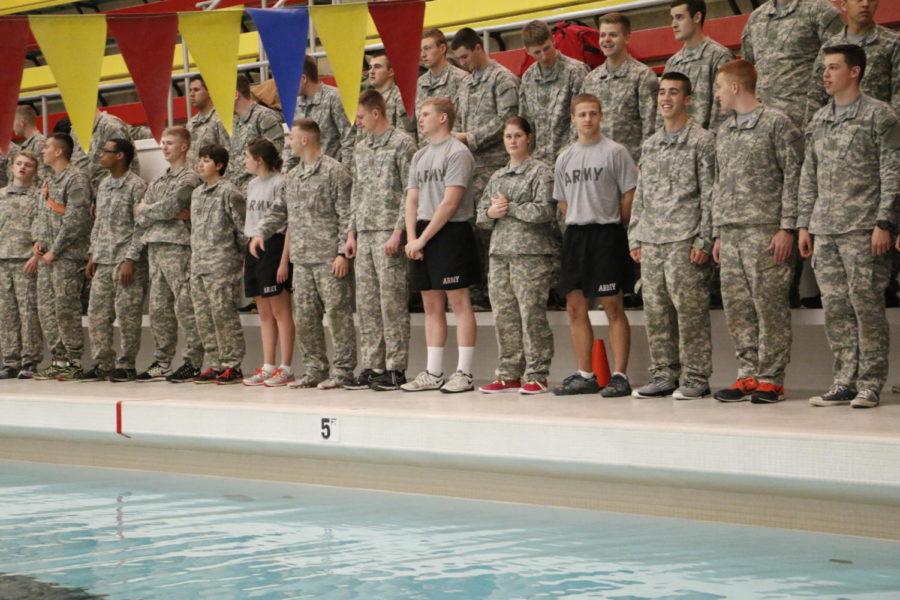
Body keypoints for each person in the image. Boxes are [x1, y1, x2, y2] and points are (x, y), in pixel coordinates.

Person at [799, 44, 900, 409]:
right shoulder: (819, 120)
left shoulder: (880, 116)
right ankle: (844, 379)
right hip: (825, 228)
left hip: (863, 228)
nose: (825, 75)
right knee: (836, 307)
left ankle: (870, 382)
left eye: (833, 68)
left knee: (866, 305)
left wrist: (884, 221)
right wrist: (804, 224)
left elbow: (892, 172)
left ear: (854, 71)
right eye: (824, 68)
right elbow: (808, 175)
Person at [711, 59, 804, 404]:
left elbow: (794, 177)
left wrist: (787, 228)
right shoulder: (725, 130)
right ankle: (746, 374)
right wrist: (718, 232)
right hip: (732, 232)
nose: (716, 94)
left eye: (720, 87)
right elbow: (720, 183)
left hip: (766, 230)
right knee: (738, 308)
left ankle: (771, 378)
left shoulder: (777, 124)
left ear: (736, 87)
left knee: (770, 307)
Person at [249, 119, 357, 389]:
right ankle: (315, 369)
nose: (288, 143)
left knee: (337, 316)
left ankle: (343, 372)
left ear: (306, 140)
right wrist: (260, 232)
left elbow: (347, 214)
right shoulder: (294, 176)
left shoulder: (335, 172)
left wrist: (342, 253)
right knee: (306, 318)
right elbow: (279, 210)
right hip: (302, 259)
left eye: (292, 138)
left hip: (328, 259)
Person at [629, 72, 715, 400]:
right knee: (656, 310)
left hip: (685, 237)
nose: (665, 98)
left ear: (687, 99)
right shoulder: (650, 145)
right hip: (652, 239)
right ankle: (664, 374)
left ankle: (695, 376)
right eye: (662, 92)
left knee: (690, 312)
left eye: (674, 93)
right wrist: (635, 236)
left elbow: (710, 193)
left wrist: (705, 239)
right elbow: (642, 194)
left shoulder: (702, 140)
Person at [551, 94, 637, 397]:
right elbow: (562, 201)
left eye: (593, 114)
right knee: (575, 307)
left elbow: (629, 194)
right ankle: (586, 373)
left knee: (613, 305)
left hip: (606, 234)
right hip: (576, 235)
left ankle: (619, 375)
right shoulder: (565, 157)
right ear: (572, 119)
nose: (587, 119)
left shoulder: (616, 152)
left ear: (601, 116)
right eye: (582, 114)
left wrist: (616, 223)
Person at [401, 97, 480, 393]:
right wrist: (412, 237)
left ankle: (464, 372)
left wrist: (423, 237)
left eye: (425, 114)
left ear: (443, 118)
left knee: (458, 301)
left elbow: (450, 203)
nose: (420, 119)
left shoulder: (457, 153)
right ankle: (434, 372)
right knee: (430, 304)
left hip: (450, 231)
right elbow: (411, 198)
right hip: (422, 231)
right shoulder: (420, 156)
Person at [475, 117, 557, 395]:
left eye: (518, 136)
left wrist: (510, 208)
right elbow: (481, 217)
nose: (512, 141)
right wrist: (491, 213)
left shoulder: (541, 172)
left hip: (530, 255)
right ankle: (509, 372)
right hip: (500, 254)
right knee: (504, 316)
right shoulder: (497, 176)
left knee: (531, 315)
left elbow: (545, 211)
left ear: (529, 138)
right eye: (508, 136)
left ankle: (537, 373)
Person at [345, 90, 417, 391]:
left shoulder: (402, 143)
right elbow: (357, 192)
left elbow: (410, 191)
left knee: (392, 303)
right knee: (368, 304)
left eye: (361, 117)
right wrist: (351, 232)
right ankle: (373, 364)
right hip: (365, 232)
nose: (358, 123)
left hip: (389, 232)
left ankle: (395, 367)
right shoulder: (360, 148)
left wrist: (399, 231)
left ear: (376, 113)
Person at [451, 27, 520, 309]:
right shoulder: (465, 85)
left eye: (466, 56)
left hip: (495, 166)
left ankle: (500, 290)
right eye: (459, 59)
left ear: (479, 48)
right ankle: (479, 288)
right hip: (469, 169)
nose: (463, 63)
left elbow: (509, 119)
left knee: (495, 230)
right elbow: (456, 118)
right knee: (472, 230)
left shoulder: (502, 79)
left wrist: (470, 137)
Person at [133, 126, 204, 383]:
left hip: (178, 247)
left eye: (170, 143)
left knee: (185, 306)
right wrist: (156, 211)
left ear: (184, 146)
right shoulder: (159, 180)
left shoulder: (190, 178)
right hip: (156, 248)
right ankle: (162, 361)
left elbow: (172, 205)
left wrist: (149, 210)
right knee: (159, 309)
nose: (164, 147)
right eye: (162, 143)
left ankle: (193, 361)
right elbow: (138, 214)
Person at [78, 139, 148, 382]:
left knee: (127, 315)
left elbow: (141, 225)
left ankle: (126, 364)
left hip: (124, 260)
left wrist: (131, 258)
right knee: (97, 314)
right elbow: (98, 223)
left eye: (106, 152)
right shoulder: (105, 185)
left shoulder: (136, 186)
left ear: (120, 156)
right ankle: (103, 363)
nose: (100, 155)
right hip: (103, 259)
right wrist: (92, 254)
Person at [32, 133, 91, 380]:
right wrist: (38, 241)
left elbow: (76, 219)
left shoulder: (75, 179)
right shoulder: (48, 180)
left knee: (66, 308)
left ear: (59, 152)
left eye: (47, 147)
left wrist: (55, 249)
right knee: (47, 309)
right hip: (47, 257)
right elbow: (40, 214)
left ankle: (74, 360)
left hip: (66, 256)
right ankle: (59, 359)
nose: (42, 150)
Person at [190, 144, 247, 384]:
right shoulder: (197, 193)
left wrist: (239, 261)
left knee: (224, 316)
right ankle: (214, 363)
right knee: (204, 317)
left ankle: (232, 365)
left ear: (220, 165)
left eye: (206, 160)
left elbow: (242, 230)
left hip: (222, 265)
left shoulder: (229, 192)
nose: (200, 164)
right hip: (199, 265)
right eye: (199, 159)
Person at [240, 138, 295, 387]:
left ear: (259, 159)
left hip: (274, 245)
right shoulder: (251, 184)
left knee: (280, 311)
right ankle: (268, 365)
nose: (244, 161)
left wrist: (284, 260)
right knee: (263, 312)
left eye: (247, 156)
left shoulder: (280, 183)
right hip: (253, 245)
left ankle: (285, 367)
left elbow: (287, 222)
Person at [741, 0, 842, 128]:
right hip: (763, 123)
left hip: (806, 119)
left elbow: (839, 62)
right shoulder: (756, 18)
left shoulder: (820, 10)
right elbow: (746, 69)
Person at [581, 12, 658, 162]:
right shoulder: (591, 79)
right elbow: (580, 126)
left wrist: (643, 165)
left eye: (613, 35)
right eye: (602, 35)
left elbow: (651, 128)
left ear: (627, 38)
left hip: (630, 165)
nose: (606, 40)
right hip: (596, 165)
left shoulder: (642, 76)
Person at [518, 20, 589, 164]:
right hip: (538, 161)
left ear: (553, 40)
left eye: (546, 48)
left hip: (570, 158)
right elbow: (526, 122)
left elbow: (581, 119)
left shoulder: (575, 71)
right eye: (537, 52)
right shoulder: (528, 77)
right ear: (527, 51)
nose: (544, 56)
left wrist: (570, 156)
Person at [0, 152, 43, 379]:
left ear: (35, 171)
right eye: (18, 164)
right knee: (6, 314)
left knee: (28, 313)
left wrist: (36, 257)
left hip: (26, 260)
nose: (22, 168)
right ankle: (9, 361)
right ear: (11, 167)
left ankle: (30, 361)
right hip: (2, 260)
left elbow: (43, 230)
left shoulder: (38, 197)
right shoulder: (1, 196)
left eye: (28, 165)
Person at [663, 0, 733, 131]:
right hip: (675, 146)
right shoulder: (672, 63)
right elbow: (663, 112)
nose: (673, 24)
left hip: (706, 145)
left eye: (679, 17)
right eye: (672, 18)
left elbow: (723, 112)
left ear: (697, 17)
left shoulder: (719, 56)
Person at [292, 57, 354, 168]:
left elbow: (349, 138)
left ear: (303, 78)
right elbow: (292, 142)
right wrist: (287, 170)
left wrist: (345, 172)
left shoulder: (334, 97)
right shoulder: (295, 104)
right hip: (305, 173)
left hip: (332, 172)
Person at [227, 74, 285, 193]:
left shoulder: (264, 117)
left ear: (235, 95)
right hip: (237, 190)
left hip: (259, 190)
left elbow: (276, 153)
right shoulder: (234, 122)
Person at [416, 28, 470, 143]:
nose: (423, 55)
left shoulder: (462, 79)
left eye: (427, 49)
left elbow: (465, 122)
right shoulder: (419, 84)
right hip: (427, 152)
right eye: (420, 50)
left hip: (451, 150)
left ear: (442, 49)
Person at [366, 51, 416, 135]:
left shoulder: (402, 98)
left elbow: (406, 137)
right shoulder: (366, 99)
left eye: (377, 67)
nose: (371, 71)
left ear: (391, 72)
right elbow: (360, 136)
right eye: (370, 67)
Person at [186, 75, 230, 167]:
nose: (191, 94)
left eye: (196, 90)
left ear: (209, 91)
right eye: (190, 90)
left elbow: (228, 153)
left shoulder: (221, 119)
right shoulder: (190, 123)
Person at [13, 106, 51, 183]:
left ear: (22, 123)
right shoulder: (29, 144)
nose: (12, 126)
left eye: (13, 122)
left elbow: (43, 176)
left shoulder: (40, 143)